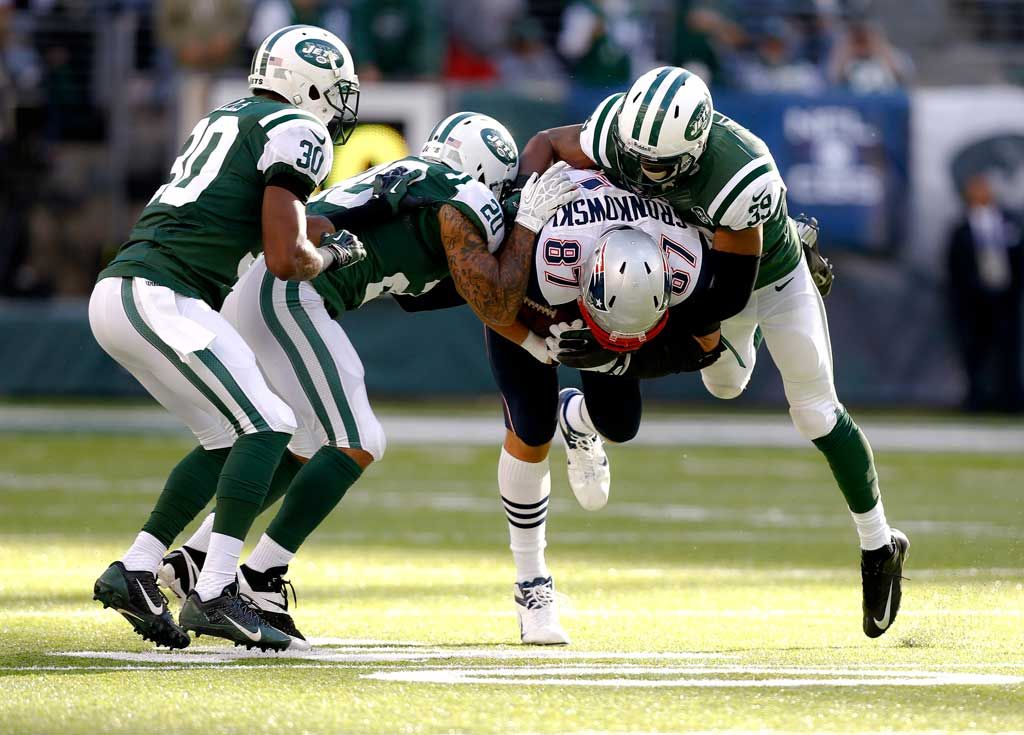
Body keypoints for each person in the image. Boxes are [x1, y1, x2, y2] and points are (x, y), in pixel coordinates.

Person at [154, 114, 580, 644]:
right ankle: (259, 576)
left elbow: (466, 295)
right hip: (289, 292)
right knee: (359, 439)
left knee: (303, 442)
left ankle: (194, 559)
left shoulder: (420, 187)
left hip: (261, 284)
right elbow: (494, 294)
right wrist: (528, 227)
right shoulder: (462, 193)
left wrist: (531, 342)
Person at [520, 65, 909, 639]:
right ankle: (581, 415)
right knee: (725, 383)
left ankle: (879, 544)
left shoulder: (740, 172)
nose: (644, 173)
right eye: (637, 157)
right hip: (693, 268)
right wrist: (526, 196)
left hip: (764, 282)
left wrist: (646, 331)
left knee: (813, 411)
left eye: (660, 164)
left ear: (696, 149)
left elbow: (726, 295)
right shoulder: (617, 133)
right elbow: (547, 144)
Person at [89, 26, 362, 651]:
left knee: (226, 437)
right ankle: (214, 590)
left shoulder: (236, 115)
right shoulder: (300, 129)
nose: (342, 106)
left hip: (133, 291)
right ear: (312, 83)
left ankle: (136, 567)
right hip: (160, 293)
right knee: (269, 422)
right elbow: (284, 253)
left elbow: (268, 216)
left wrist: (318, 232)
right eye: (338, 90)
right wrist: (327, 257)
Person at [484, 167, 718, 643]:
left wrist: (616, 354)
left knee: (620, 424)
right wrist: (533, 343)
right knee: (531, 427)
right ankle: (532, 583)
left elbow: (705, 344)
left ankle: (579, 417)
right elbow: (487, 298)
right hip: (536, 302)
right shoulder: (547, 255)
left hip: (611, 283)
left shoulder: (686, 254)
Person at [946, 174, 1024, 413]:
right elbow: (954, 265)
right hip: (974, 303)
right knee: (975, 352)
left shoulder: (1009, 222)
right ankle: (977, 401)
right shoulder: (961, 228)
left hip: (1005, 299)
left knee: (1008, 352)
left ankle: (1010, 400)